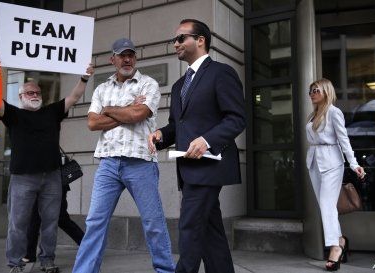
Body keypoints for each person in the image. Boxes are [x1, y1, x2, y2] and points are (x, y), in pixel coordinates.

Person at [148, 19, 246, 273]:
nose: (175, 44)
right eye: (175, 40)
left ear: (200, 40)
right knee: (211, 233)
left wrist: (207, 140)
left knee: (190, 227)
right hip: (188, 168)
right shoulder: (180, 85)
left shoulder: (221, 73)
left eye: (181, 39)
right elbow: (177, 126)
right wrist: (160, 134)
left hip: (210, 165)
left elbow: (236, 118)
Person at [71, 38, 175, 273]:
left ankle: (165, 271)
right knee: (94, 223)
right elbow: (92, 123)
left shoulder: (148, 84)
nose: (127, 59)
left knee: (153, 223)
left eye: (131, 55)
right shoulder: (102, 88)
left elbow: (138, 115)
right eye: (121, 55)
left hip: (140, 163)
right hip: (108, 163)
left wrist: (108, 110)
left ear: (135, 58)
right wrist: (127, 108)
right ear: (113, 59)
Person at [0, 54, 94, 273]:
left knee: (50, 222)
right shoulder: (13, 114)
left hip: (52, 177)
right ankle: (15, 264)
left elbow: (73, 97)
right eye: (29, 92)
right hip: (23, 178)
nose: (34, 95)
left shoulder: (52, 112)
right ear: (21, 96)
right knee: (17, 224)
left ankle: (47, 261)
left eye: (37, 92)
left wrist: (84, 78)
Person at [306, 78, 366, 271]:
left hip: (332, 162)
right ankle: (340, 239)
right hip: (315, 161)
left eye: (316, 90)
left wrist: (354, 163)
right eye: (311, 91)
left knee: (327, 206)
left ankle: (334, 248)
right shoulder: (312, 115)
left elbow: (344, 140)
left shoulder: (334, 112)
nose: (312, 93)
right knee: (326, 207)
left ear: (326, 91)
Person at [24, 183, 85, 263]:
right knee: (34, 218)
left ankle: (88, 245)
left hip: (57, 183)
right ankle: (29, 254)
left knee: (61, 218)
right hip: (39, 182)